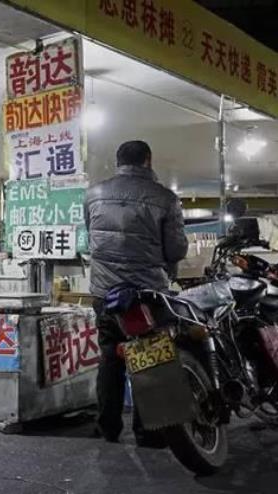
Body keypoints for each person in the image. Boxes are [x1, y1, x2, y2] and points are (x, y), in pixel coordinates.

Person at [84, 140, 188, 447]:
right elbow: (177, 248)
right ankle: (150, 431)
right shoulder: (165, 198)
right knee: (150, 355)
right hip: (147, 293)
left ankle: (107, 428)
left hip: (106, 291)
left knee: (109, 357)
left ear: (118, 162)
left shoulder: (93, 194)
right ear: (148, 160)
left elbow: (91, 236)